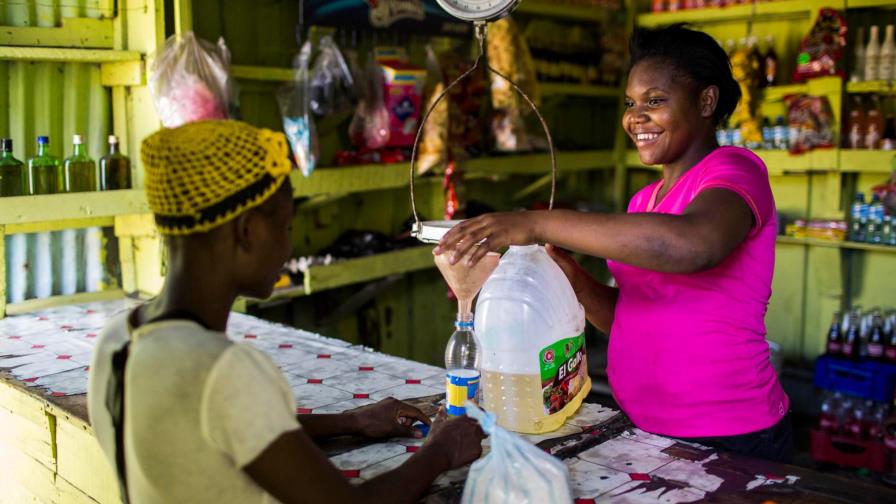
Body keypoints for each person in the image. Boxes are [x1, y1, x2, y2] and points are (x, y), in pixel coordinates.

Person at [435, 25, 792, 463]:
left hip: (730, 433)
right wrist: (572, 279)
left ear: (706, 101)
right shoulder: (644, 201)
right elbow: (631, 315)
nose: (635, 117)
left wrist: (536, 224)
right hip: (643, 426)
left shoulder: (735, 170)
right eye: (630, 103)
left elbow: (696, 246)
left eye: (654, 101)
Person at [88, 120, 484, 504]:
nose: (288, 248)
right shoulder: (224, 370)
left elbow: (230, 430)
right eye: (286, 227)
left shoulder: (119, 338)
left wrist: (350, 422)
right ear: (246, 231)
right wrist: (440, 451)